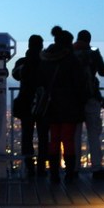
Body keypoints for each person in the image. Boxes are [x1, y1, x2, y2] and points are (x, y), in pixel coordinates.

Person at [38, 26, 87, 183]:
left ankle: (53, 172)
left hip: (51, 105)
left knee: (54, 139)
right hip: (69, 105)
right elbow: (80, 84)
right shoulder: (71, 61)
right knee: (68, 140)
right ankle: (69, 173)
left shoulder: (45, 59)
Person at [73, 30, 104, 180]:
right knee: (93, 134)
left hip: (74, 100)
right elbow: (103, 72)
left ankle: (74, 168)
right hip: (91, 97)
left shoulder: (70, 53)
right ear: (89, 40)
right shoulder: (92, 53)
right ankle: (96, 168)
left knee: (75, 135)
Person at [11, 34, 49, 178]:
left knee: (27, 137)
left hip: (26, 103)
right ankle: (41, 167)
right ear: (41, 45)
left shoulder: (23, 63)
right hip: (43, 105)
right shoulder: (45, 62)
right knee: (43, 137)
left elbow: (15, 75)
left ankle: (29, 166)